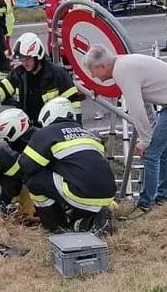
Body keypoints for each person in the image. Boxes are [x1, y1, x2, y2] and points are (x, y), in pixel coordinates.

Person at [82, 46, 167, 214]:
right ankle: (163, 196)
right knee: (161, 150)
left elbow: (136, 109)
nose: (94, 76)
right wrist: (149, 132)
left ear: (103, 66)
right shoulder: (124, 64)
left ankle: (146, 203)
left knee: (151, 153)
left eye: (93, 72)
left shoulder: (123, 72)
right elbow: (145, 102)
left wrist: (145, 140)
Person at [14, 96, 116, 232]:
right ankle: (87, 222)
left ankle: (56, 227)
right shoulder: (89, 134)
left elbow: (26, 166)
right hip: (108, 193)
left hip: (80, 193)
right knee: (76, 213)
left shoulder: (47, 133)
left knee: (34, 180)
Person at [0, 31, 83, 126]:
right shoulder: (19, 73)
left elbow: (74, 102)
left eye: (28, 59)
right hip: (27, 127)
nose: (24, 63)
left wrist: (77, 126)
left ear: (38, 56)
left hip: (52, 127)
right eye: (22, 59)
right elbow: (0, 90)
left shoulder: (58, 74)